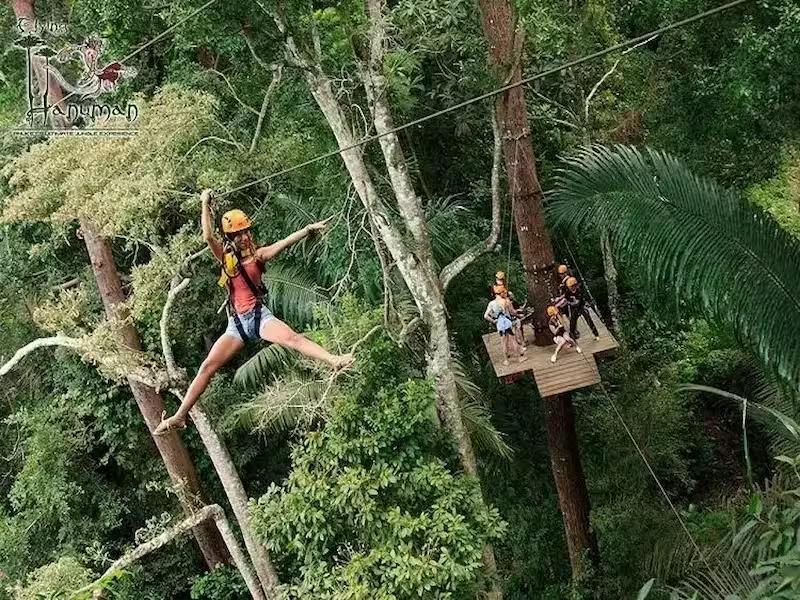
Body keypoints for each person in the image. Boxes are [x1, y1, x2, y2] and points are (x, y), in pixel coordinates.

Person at [154, 189, 354, 435]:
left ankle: (334, 360)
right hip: (236, 324)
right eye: (241, 234)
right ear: (232, 238)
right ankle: (179, 416)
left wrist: (306, 231)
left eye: (247, 231)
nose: (247, 236)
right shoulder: (226, 259)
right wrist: (204, 203)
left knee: (293, 338)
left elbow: (282, 244)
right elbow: (208, 236)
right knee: (207, 367)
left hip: (259, 318)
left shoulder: (258, 256)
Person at [484, 285, 525, 365]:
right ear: (501, 293)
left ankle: (506, 360)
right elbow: (512, 312)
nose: (505, 294)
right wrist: (518, 313)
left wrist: (493, 321)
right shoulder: (506, 301)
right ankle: (519, 358)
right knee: (513, 340)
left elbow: (485, 316)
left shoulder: (491, 303)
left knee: (503, 342)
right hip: (507, 323)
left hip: (499, 325)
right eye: (504, 292)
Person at [563, 276, 600, 341]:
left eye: (572, 286)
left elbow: (578, 302)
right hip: (574, 309)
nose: (571, 288)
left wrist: (572, 303)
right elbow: (566, 300)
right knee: (572, 323)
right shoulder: (567, 293)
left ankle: (596, 334)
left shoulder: (579, 291)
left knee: (588, 319)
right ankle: (572, 337)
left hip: (581, 307)